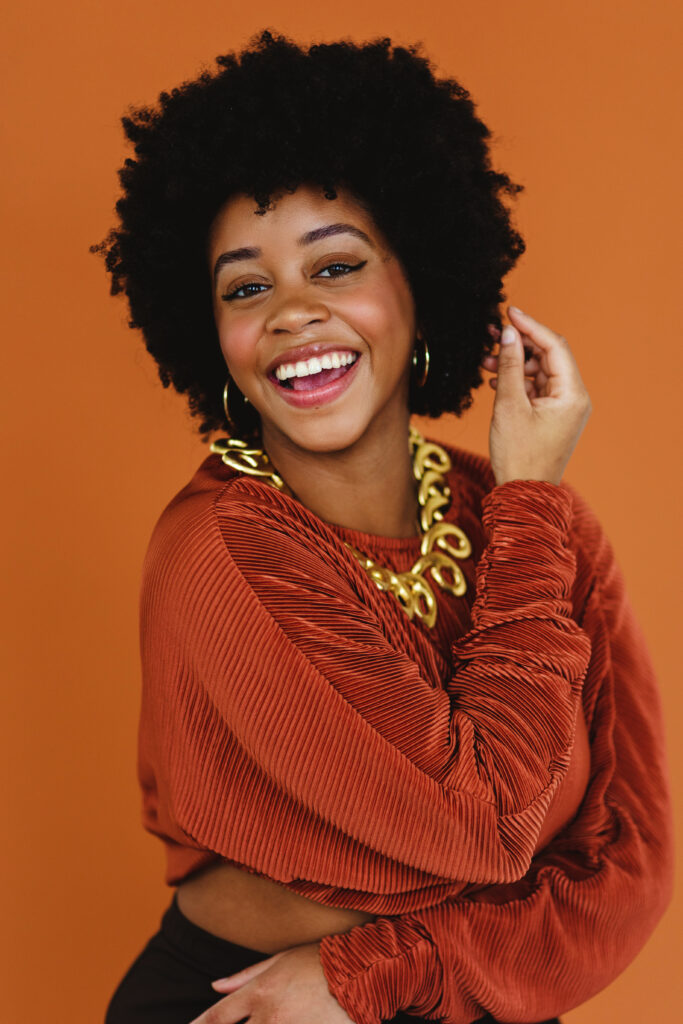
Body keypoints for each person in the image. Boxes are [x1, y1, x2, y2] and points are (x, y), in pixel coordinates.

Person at [94, 28, 674, 1024]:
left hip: (427, 999)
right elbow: (486, 828)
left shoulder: (526, 512)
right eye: (246, 287)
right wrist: (532, 509)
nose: (290, 312)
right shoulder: (220, 548)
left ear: (418, 280)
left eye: (334, 267)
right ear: (211, 333)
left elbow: (630, 863)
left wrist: (370, 971)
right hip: (248, 1000)